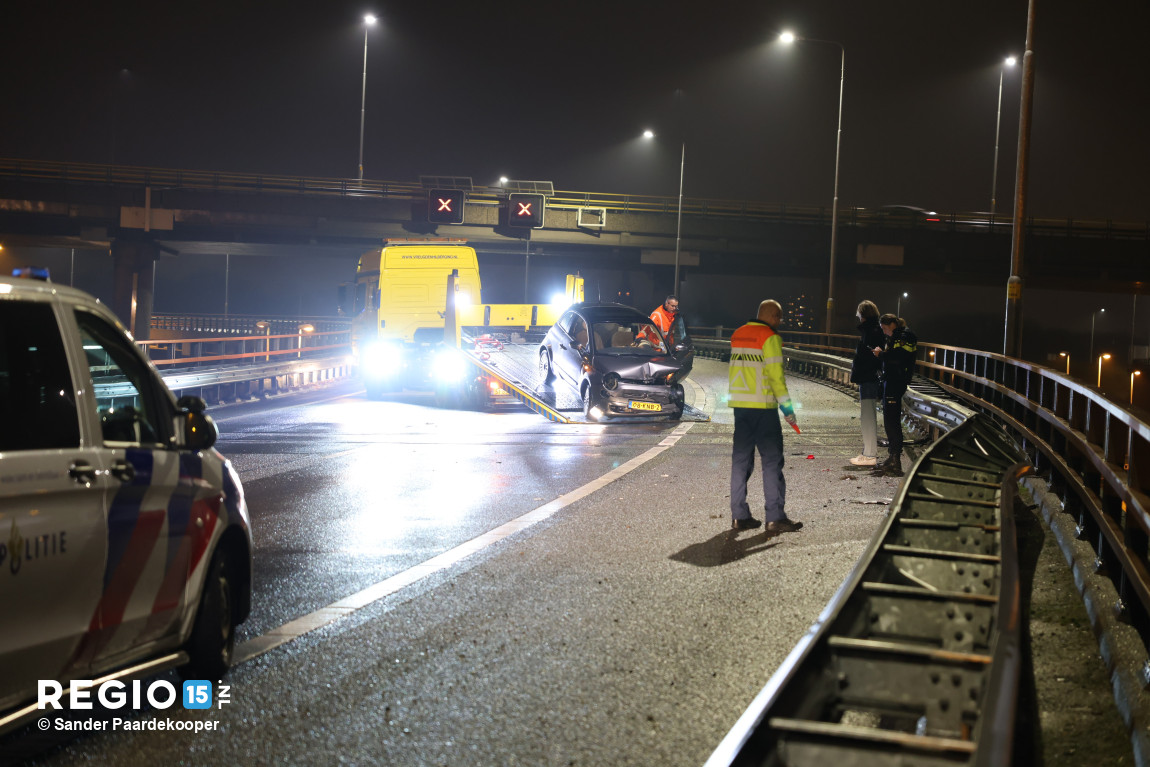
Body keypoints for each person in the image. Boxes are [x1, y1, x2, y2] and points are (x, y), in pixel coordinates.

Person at [727, 299, 804, 533]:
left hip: (740, 406)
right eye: (779, 317)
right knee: (771, 463)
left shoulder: (738, 334)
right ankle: (775, 517)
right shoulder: (770, 337)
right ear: (772, 316)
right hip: (763, 408)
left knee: (741, 463)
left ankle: (739, 516)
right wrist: (788, 409)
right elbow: (775, 376)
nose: (779, 322)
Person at [872, 313, 918, 477]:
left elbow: (898, 358)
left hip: (896, 381)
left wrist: (881, 354)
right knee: (889, 420)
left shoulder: (905, 337)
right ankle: (892, 456)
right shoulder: (898, 336)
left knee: (892, 421)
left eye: (885, 328)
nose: (884, 332)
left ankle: (895, 458)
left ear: (892, 324)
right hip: (890, 381)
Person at [849, 300, 884, 467]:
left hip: (868, 378)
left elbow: (870, 356)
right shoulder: (874, 330)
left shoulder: (871, 331)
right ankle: (868, 452)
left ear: (862, 314)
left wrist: (861, 368)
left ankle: (870, 455)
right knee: (867, 416)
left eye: (858, 314)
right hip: (869, 377)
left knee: (868, 416)